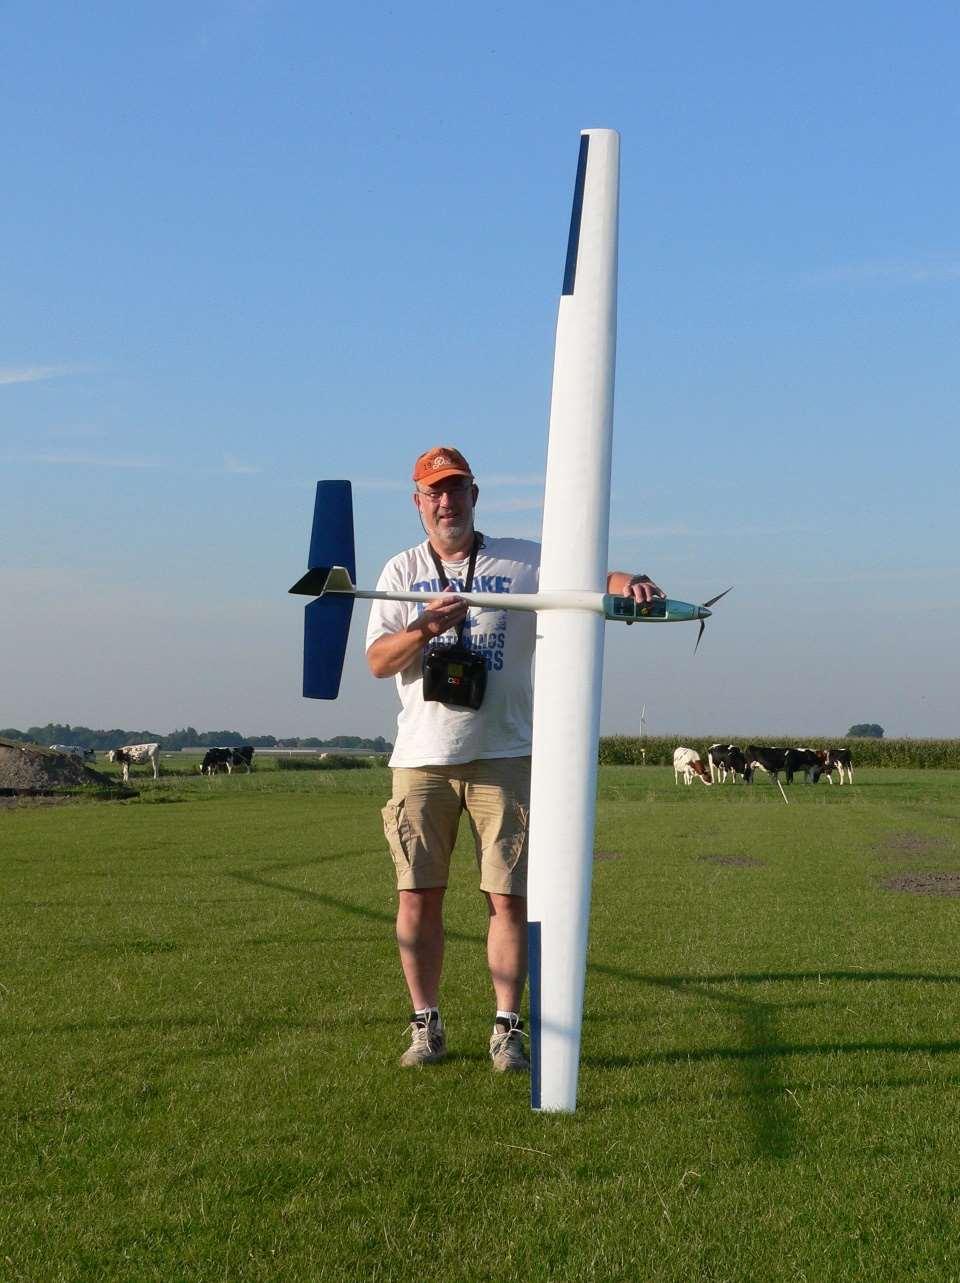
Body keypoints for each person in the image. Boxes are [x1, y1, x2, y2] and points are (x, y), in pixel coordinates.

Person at [365, 446, 662, 1071]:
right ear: (416, 503)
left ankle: (507, 1027)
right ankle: (426, 1025)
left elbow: (588, 580)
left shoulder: (521, 558)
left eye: (456, 490)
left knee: (509, 899)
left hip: (505, 756)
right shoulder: (398, 570)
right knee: (417, 895)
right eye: (433, 493)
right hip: (422, 759)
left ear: (475, 495)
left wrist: (626, 582)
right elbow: (377, 661)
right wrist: (423, 628)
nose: (446, 502)